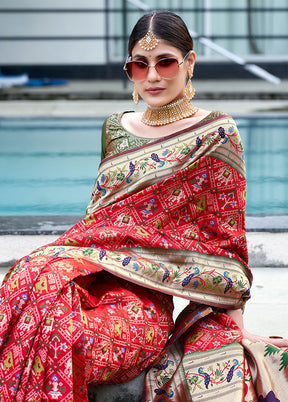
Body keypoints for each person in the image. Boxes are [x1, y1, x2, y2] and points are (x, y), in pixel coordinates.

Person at [0, 10, 287, 402]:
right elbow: (97, 223)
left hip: (144, 305)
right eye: (139, 64)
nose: (152, 76)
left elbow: (226, 245)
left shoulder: (216, 134)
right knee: (29, 280)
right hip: (92, 278)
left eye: (165, 62)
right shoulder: (115, 128)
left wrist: (235, 327)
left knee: (60, 335)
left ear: (190, 64)